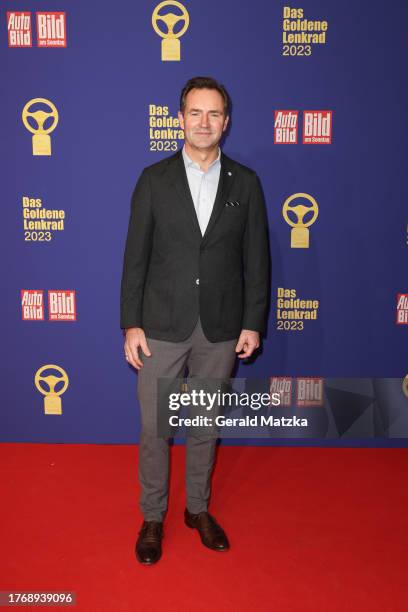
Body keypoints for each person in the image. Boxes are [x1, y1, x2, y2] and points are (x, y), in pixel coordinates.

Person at [120, 76, 270, 565]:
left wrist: (251, 322)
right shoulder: (153, 179)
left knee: (205, 424)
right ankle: (153, 517)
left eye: (214, 114)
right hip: (161, 324)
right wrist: (132, 323)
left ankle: (197, 509)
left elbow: (257, 259)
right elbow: (135, 258)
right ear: (179, 118)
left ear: (225, 122)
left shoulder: (245, 183)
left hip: (221, 327)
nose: (204, 122)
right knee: (155, 429)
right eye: (195, 113)